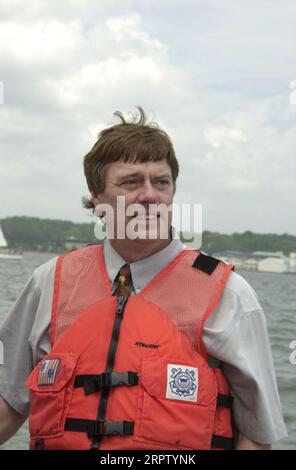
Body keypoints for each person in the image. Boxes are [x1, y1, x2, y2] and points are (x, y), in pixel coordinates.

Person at [0, 107, 287, 450]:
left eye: (161, 182)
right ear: (96, 196)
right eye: (131, 182)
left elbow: (256, 436)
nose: (150, 195)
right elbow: (9, 402)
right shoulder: (50, 281)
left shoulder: (229, 294)